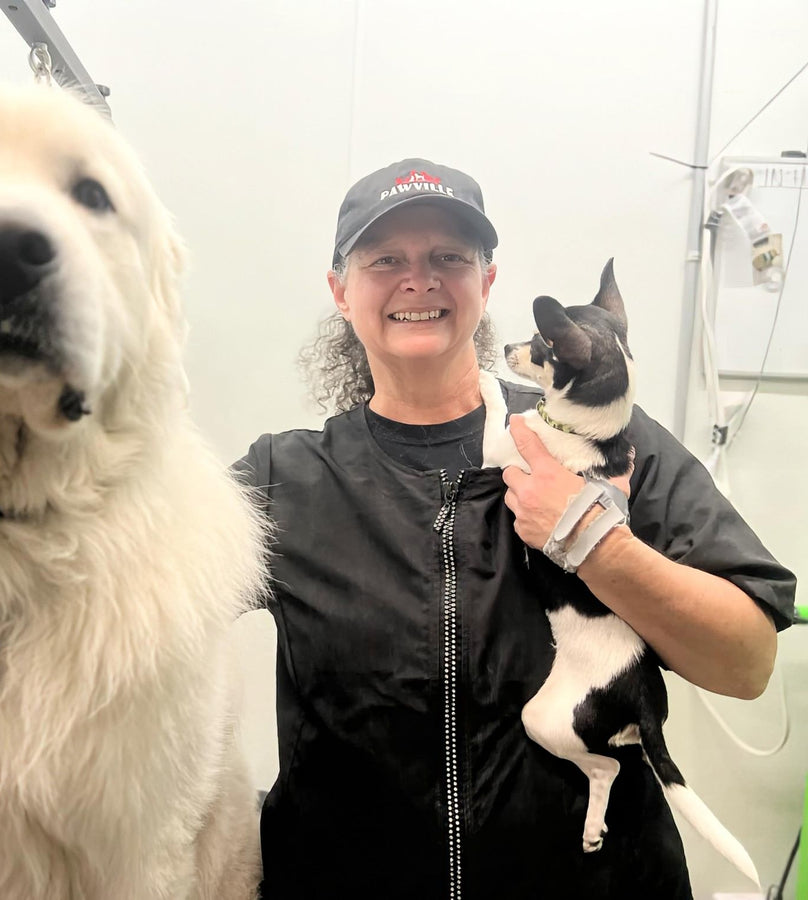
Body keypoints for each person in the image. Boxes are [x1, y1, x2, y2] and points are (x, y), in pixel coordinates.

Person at [235, 158, 797, 900]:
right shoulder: (283, 480)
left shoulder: (610, 443)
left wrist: (601, 545)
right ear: (341, 291)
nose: (420, 278)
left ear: (487, 284)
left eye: (449, 258)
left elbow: (747, 663)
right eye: (386, 260)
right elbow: (118, 610)